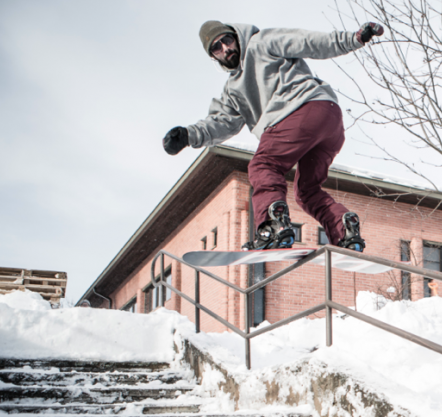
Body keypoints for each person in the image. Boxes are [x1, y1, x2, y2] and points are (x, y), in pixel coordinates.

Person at [162, 20, 384, 252]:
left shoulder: (261, 42)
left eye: (227, 40)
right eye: (217, 48)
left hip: (301, 109)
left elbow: (307, 41)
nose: (226, 49)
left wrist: (354, 38)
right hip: (329, 122)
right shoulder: (232, 91)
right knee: (307, 191)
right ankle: (345, 229)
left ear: (236, 36)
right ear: (214, 57)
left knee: (263, 165)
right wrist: (188, 136)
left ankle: (272, 227)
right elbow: (222, 122)